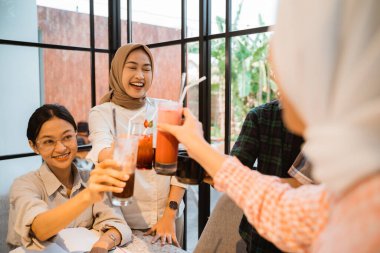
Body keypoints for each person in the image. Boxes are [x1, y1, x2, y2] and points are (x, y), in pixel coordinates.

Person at [158, 1, 380, 252]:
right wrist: (199, 151)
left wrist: (201, 151)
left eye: (285, 62)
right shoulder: (350, 189)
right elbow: (283, 209)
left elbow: (284, 205)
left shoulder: (367, 208)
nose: (277, 76)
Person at [87, 43, 187, 247]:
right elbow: (101, 150)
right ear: (117, 70)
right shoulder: (102, 113)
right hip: (123, 225)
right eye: (132, 67)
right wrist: (130, 146)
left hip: (169, 218)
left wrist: (170, 214)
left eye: (146, 68)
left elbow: (181, 165)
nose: (140, 75)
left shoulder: (167, 109)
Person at [7, 104, 132, 252]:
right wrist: (88, 196)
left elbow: (116, 223)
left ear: (76, 135)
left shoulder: (91, 176)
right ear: (34, 146)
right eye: (49, 141)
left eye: (67, 137)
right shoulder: (23, 185)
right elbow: (40, 230)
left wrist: (102, 244)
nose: (61, 148)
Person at [230, 99, 304, 253]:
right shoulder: (261, 116)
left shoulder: (329, 125)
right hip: (263, 233)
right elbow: (236, 167)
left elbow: (309, 185)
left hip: (309, 229)